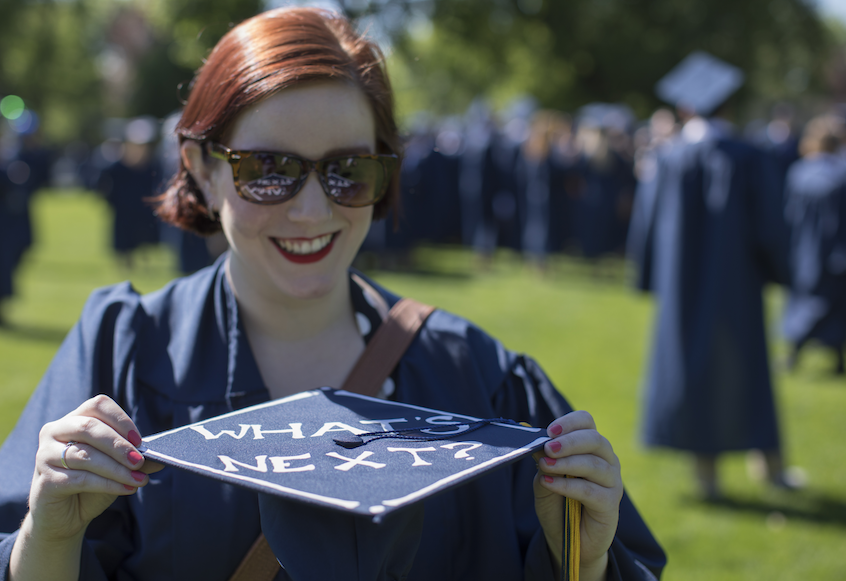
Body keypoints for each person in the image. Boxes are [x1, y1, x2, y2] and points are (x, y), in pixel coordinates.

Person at [0, 8, 664, 581]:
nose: (313, 210)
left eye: (349, 170)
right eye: (268, 170)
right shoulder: (122, 354)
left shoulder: (478, 377)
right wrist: (49, 533)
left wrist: (584, 552)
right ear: (202, 168)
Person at [627, 52, 792, 500]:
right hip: (737, 282)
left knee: (692, 368)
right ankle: (771, 467)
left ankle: (708, 478)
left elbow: (646, 225)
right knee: (749, 365)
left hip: (681, 283)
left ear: (685, 109)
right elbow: (771, 230)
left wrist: (646, 276)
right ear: (729, 107)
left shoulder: (667, 158)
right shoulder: (750, 157)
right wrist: (782, 271)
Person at [782, 114, 846, 374]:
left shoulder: (798, 172)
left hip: (803, 249)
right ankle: (838, 360)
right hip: (835, 251)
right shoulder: (840, 175)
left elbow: (788, 214)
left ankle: (793, 354)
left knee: (802, 299)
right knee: (836, 304)